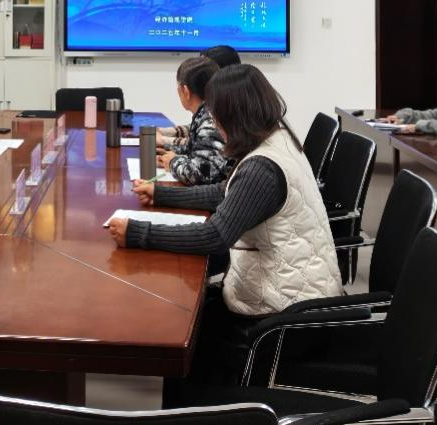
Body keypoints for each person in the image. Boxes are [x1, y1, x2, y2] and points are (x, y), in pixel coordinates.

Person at [108, 64, 341, 381]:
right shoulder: (277, 138)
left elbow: (215, 236)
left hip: (285, 317)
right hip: (288, 294)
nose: (214, 125)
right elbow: (227, 192)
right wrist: (162, 193)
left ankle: (199, 399)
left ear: (232, 116)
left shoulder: (262, 167)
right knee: (192, 308)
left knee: (186, 329)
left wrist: (138, 232)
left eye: (216, 116)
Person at [155, 56, 229, 185]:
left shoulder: (211, 120)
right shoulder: (209, 111)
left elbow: (199, 175)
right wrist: (169, 151)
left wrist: (172, 162)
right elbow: (195, 146)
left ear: (186, 91)